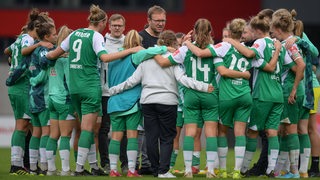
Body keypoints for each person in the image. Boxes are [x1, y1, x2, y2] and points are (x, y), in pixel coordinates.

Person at [44, 4, 142, 176]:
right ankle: (80, 169)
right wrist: (131, 50)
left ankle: (94, 165)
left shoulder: (74, 34)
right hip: (89, 87)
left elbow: (51, 55)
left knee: (86, 130)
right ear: (103, 22)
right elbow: (104, 57)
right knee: (89, 130)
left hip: (74, 88)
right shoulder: (96, 36)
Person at [109, 30, 214, 178]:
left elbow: (132, 81)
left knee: (151, 137)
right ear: (172, 44)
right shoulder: (173, 60)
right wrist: (203, 86)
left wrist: (114, 89)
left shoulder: (146, 61)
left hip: (148, 102)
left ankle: (155, 168)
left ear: (159, 43)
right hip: (167, 102)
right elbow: (183, 80)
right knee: (167, 137)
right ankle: (163, 171)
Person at [107, 29, 170, 177]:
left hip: (114, 102)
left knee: (115, 137)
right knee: (132, 136)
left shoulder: (115, 57)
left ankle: (113, 170)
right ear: (138, 43)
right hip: (131, 102)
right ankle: (131, 170)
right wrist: (168, 48)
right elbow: (154, 51)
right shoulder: (136, 55)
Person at [4, 8, 53, 175]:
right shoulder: (27, 38)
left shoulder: (19, 39)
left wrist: (12, 61)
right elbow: (25, 51)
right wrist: (39, 44)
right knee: (23, 125)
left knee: (29, 125)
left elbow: (7, 51)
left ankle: (27, 164)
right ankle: (17, 165)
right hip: (22, 85)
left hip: (17, 85)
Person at [270, 8, 306, 178]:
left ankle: (294, 171)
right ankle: (281, 169)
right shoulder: (287, 43)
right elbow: (294, 66)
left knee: (291, 129)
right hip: (289, 90)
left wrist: (292, 89)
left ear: (278, 29)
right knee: (285, 129)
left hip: (290, 92)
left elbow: (302, 66)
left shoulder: (289, 44)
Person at [137, 5, 167, 175]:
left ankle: (157, 164)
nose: (161, 24)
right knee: (141, 131)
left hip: (163, 91)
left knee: (160, 132)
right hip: (142, 89)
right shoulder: (140, 38)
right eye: (157, 20)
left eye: (163, 20)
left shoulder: (165, 38)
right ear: (148, 20)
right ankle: (143, 163)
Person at [45, 25, 75, 176]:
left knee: (53, 135)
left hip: (51, 98)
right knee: (65, 135)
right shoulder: (68, 58)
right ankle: (65, 169)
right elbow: (69, 82)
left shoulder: (52, 56)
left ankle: (50, 169)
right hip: (64, 99)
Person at [28, 22, 57, 175]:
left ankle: (33, 168)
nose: (56, 36)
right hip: (42, 96)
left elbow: (31, 71)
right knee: (46, 132)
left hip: (32, 96)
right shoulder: (44, 50)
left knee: (36, 132)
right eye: (54, 34)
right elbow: (45, 64)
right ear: (46, 36)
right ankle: (45, 167)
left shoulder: (34, 49)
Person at [99, 13, 127, 174]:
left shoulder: (128, 43)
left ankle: (124, 163)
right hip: (104, 92)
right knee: (104, 129)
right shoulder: (101, 42)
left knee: (123, 129)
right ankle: (106, 162)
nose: (117, 28)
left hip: (122, 92)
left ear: (124, 27)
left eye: (120, 25)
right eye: (114, 25)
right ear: (109, 26)